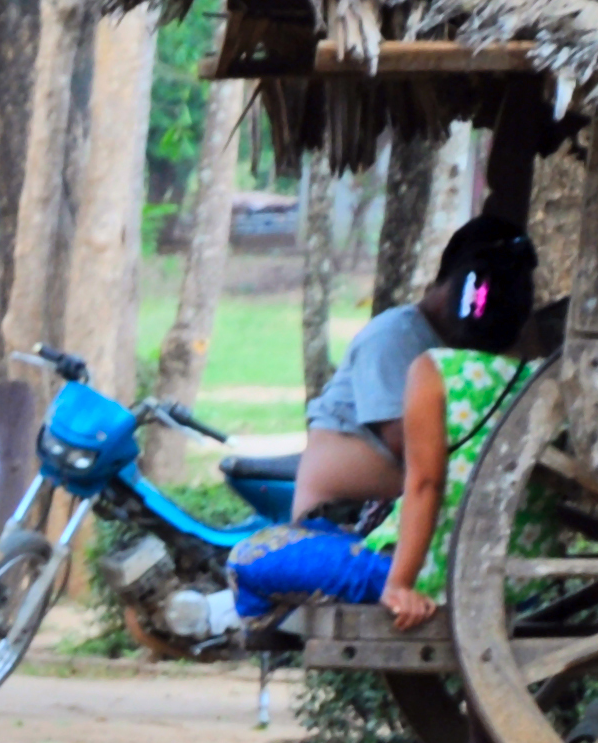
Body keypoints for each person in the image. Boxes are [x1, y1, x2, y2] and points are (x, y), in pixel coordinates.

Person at [229, 215, 542, 642]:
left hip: (424, 566)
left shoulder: (436, 370)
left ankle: (260, 625)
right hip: (514, 575)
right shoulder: (538, 378)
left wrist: (399, 582)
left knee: (248, 557)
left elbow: (425, 479)